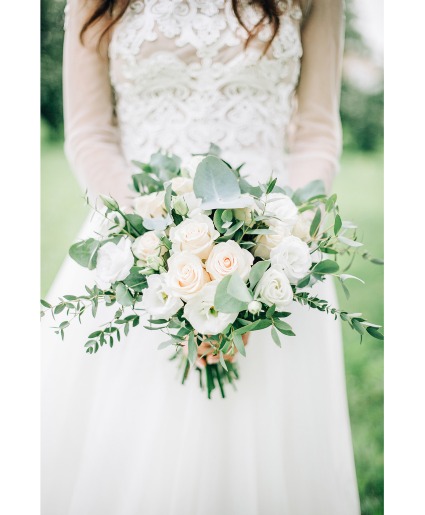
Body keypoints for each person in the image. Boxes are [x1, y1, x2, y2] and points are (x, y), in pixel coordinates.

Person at [42, 0, 361, 513]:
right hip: (137, 246)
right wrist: (157, 244)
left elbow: (317, 130)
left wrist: (278, 245)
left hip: (274, 247)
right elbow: (90, 132)